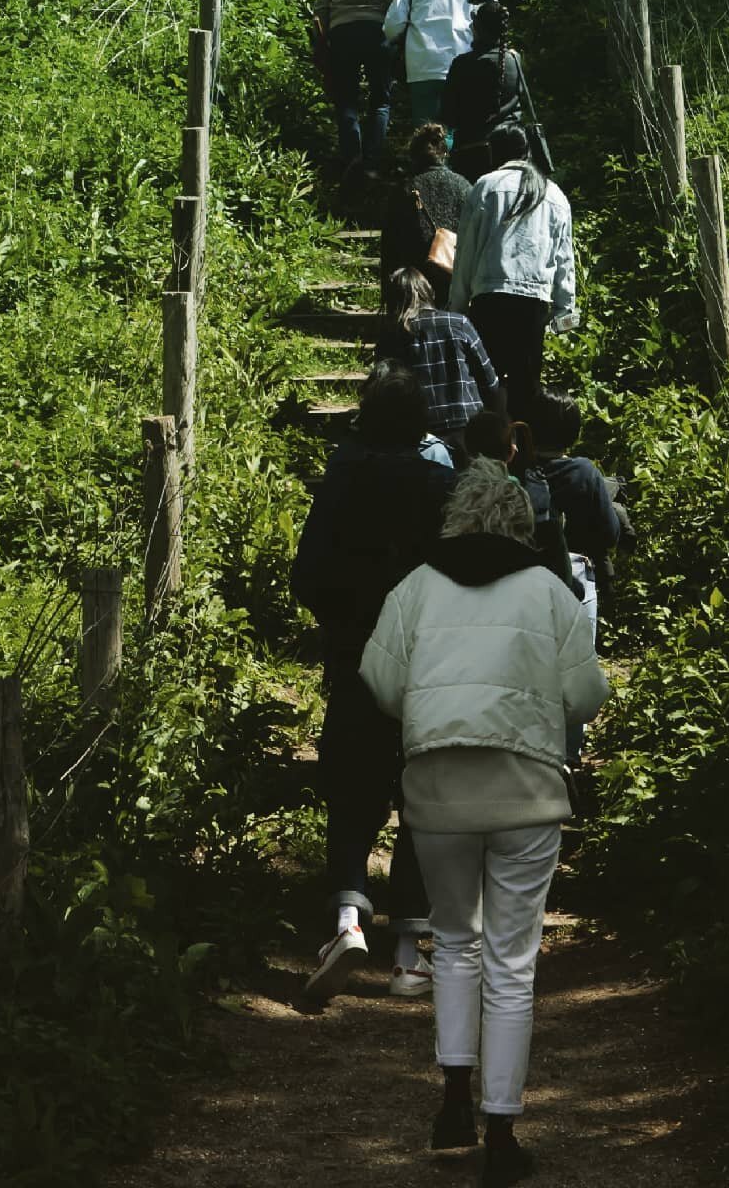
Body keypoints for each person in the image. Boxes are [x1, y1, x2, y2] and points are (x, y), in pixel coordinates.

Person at [360, 459, 609, 1183]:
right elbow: (586, 694)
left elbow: (379, 682)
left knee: (457, 943)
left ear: (455, 518)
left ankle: (451, 1103)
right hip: (526, 790)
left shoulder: (414, 588)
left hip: (438, 788)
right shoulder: (548, 592)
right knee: (511, 960)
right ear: (522, 522)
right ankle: (501, 1133)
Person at [292, 363, 456, 1003]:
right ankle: (411, 954)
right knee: (424, 793)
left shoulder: (343, 482)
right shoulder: (446, 486)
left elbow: (306, 575)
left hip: (359, 659)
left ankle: (347, 921)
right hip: (431, 666)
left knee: (353, 785)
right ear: (422, 424)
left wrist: (343, 622)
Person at [526, 388, 631, 764]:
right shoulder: (584, 473)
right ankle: (568, 759)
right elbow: (609, 533)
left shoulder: (516, 471)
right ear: (574, 433)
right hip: (575, 576)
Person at [451, 125, 576, 416]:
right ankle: (523, 449)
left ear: (494, 153)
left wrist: (458, 307)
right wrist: (564, 314)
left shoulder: (485, 186)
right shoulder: (553, 193)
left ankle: (487, 449)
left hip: (489, 298)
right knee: (526, 386)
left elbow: (465, 251)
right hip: (533, 304)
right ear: (527, 151)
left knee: (486, 382)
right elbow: (564, 259)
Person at [376, 267, 504, 461]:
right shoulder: (459, 323)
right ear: (429, 292)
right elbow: (491, 382)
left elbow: (383, 394)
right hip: (469, 429)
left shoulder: (392, 335)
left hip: (421, 434)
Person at [316, 0, 407, 177]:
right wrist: (399, 41)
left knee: (346, 99)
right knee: (380, 100)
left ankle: (351, 157)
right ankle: (372, 162)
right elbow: (397, 1)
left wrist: (322, 44)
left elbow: (321, 7)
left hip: (342, 32)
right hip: (377, 31)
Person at [462, 407, 573, 588]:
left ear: (467, 449)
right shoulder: (521, 493)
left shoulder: (455, 489)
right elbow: (556, 559)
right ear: (512, 451)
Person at [382, 0, 478, 126]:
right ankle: (450, 156)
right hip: (459, 65)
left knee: (426, 132)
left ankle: (430, 157)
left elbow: (391, 28)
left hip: (421, 67)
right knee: (454, 128)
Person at [379, 122, 471, 307]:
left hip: (415, 282)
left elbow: (389, 246)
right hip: (454, 273)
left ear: (413, 156)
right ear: (444, 154)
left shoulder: (404, 189)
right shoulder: (465, 187)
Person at [440, 0, 525, 181]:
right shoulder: (515, 59)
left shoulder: (463, 65)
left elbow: (448, 115)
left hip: (473, 153)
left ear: (477, 27)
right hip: (514, 150)